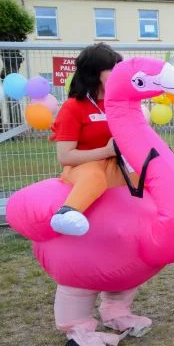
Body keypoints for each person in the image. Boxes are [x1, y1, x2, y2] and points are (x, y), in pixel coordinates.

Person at [49, 42, 127, 236]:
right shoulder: (73, 107)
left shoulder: (118, 103)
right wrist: (106, 151)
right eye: (112, 68)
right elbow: (65, 156)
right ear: (95, 73)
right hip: (82, 168)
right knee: (94, 176)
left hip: (116, 166)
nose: (119, 73)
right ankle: (66, 213)